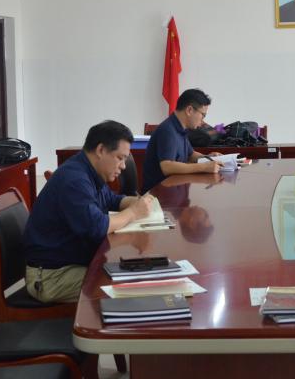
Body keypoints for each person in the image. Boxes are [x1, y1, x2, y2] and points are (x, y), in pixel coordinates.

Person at [23, 120, 154, 303]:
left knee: (130, 274)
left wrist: (137, 202)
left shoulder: (87, 170)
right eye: (120, 158)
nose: (124, 166)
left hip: (69, 266)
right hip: (51, 277)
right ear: (101, 150)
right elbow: (97, 226)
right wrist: (133, 212)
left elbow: (111, 200)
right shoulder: (75, 179)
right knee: (126, 286)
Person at [141, 88, 222, 193]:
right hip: (158, 195)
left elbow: (190, 154)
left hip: (173, 191)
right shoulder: (167, 130)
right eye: (203, 115)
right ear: (189, 110)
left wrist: (209, 158)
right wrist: (203, 167)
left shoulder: (181, 128)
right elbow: (167, 167)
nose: (202, 121)